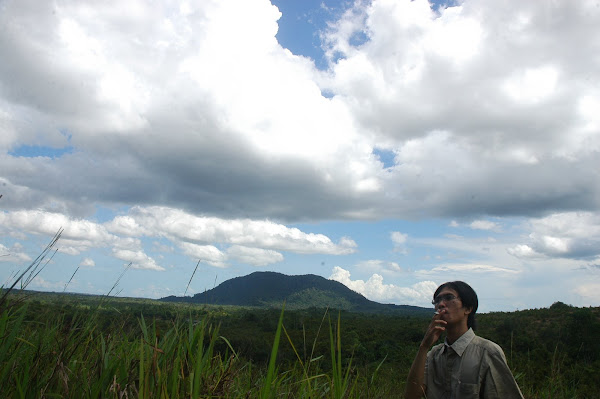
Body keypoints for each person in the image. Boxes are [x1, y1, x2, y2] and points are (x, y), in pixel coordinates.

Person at [404, 281, 524, 399]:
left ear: (468, 308)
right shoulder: (433, 355)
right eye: (437, 300)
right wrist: (424, 347)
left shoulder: (487, 352)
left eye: (449, 297)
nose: (441, 304)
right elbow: (411, 395)